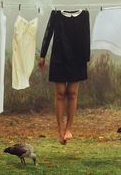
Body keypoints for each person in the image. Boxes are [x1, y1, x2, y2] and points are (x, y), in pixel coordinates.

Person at [38, 9, 90, 145]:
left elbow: (86, 35)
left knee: (72, 93)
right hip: (59, 55)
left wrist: (86, 58)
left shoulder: (84, 13)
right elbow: (48, 32)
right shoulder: (56, 13)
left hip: (77, 56)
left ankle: (69, 129)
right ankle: (60, 130)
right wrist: (42, 54)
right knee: (60, 94)